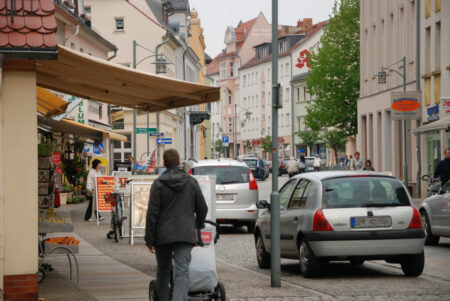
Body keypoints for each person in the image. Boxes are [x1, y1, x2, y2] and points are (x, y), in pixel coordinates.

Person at [145, 149, 208, 301]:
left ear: (164, 164)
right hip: (185, 233)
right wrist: (198, 225)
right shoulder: (191, 182)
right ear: (179, 163)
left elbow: (152, 214)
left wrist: (150, 240)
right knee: (182, 271)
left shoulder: (158, 184)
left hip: (163, 235)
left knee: (163, 270)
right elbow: (202, 208)